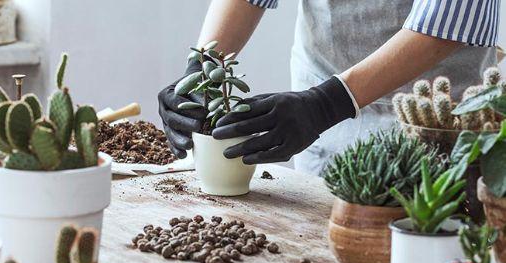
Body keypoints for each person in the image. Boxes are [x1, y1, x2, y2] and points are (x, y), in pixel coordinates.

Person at [158, 0, 499, 175]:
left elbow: (450, 19)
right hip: (321, 119)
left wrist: (325, 104)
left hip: (434, 122)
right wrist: (203, 66)